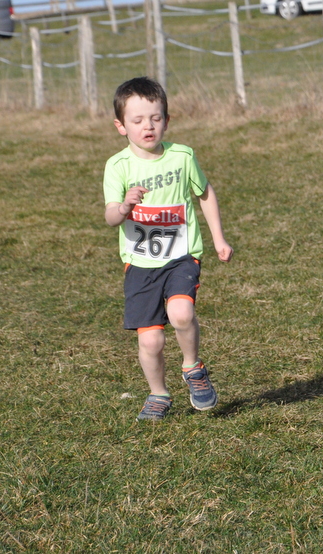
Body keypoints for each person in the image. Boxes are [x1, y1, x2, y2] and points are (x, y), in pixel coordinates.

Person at [103, 76, 233, 421]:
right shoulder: (117, 166)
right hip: (140, 264)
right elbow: (110, 217)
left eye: (155, 118)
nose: (148, 126)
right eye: (137, 120)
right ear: (121, 126)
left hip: (181, 256)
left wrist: (219, 239)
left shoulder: (182, 157)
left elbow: (205, 193)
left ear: (167, 120)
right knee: (151, 342)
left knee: (181, 313)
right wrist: (124, 207)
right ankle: (158, 394)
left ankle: (193, 368)